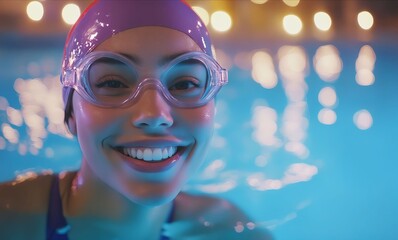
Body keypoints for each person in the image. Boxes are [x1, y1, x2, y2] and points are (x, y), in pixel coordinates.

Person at [0, 1, 273, 239]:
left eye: (184, 84)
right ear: (71, 114)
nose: (154, 115)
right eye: (113, 83)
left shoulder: (229, 231)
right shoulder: (10, 218)